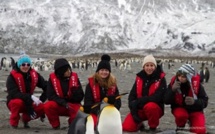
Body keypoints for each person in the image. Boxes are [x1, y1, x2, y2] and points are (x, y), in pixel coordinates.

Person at [122, 55, 167, 132]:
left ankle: (153, 127)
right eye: (147, 65)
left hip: (155, 109)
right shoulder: (139, 78)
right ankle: (139, 123)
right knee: (127, 127)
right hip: (140, 109)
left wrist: (140, 101)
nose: (149, 68)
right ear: (143, 67)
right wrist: (133, 109)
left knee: (150, 107)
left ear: (155, 66)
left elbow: (158, 97)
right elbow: (132, 96)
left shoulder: (161, 79)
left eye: (151, 65)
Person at [6, 53, 47, 128]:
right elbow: (13, 93)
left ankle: (25, 119)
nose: (26, 66)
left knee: (43, 107)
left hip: (29, 102)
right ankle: (14, 122)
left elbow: (46, 85)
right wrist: (30, 96)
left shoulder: (34, 74)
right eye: (23, 64)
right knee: (16, 102)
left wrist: (42, 99)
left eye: (28, 64)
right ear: (19, 64)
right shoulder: (12, 77)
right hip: (15, 101)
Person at [164, 64, 208, 134]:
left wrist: (195, 102)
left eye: (183, 76)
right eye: (179, 75)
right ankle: (180, 127)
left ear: (189, 76)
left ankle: (192, 125)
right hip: (180, 108)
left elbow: (205, 101)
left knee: (200, 131)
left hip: (195, 110)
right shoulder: (174, 83)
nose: (180, 78)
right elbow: (166, 101)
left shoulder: (197, 85)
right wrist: (172, 91)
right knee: (181, 115)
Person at [83, 54, 121, 128]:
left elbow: (118, 101)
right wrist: (99, 111)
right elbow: (87, 103)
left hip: (110, 112)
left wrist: (111, 111)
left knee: (114, 126)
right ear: (98, 71)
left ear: (109, 72)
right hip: (95, 112)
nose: (104, 72)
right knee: (91, 125)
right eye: (102, 70)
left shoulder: (113, 84)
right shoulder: (91, 85)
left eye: (106, 70)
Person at [44, 58, 84, 129]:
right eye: (66, 70)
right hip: (60, 105)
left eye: (69, 69)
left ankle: (72, 124)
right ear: (61, 71)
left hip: (72, 105)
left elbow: (81, 96)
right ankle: (56, 125)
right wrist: (63, 103)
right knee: (48, 105)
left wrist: (75, 94)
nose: (69, 72)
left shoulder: (74, 78)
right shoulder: (52, 79)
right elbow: (50, 96)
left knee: (79, 111)